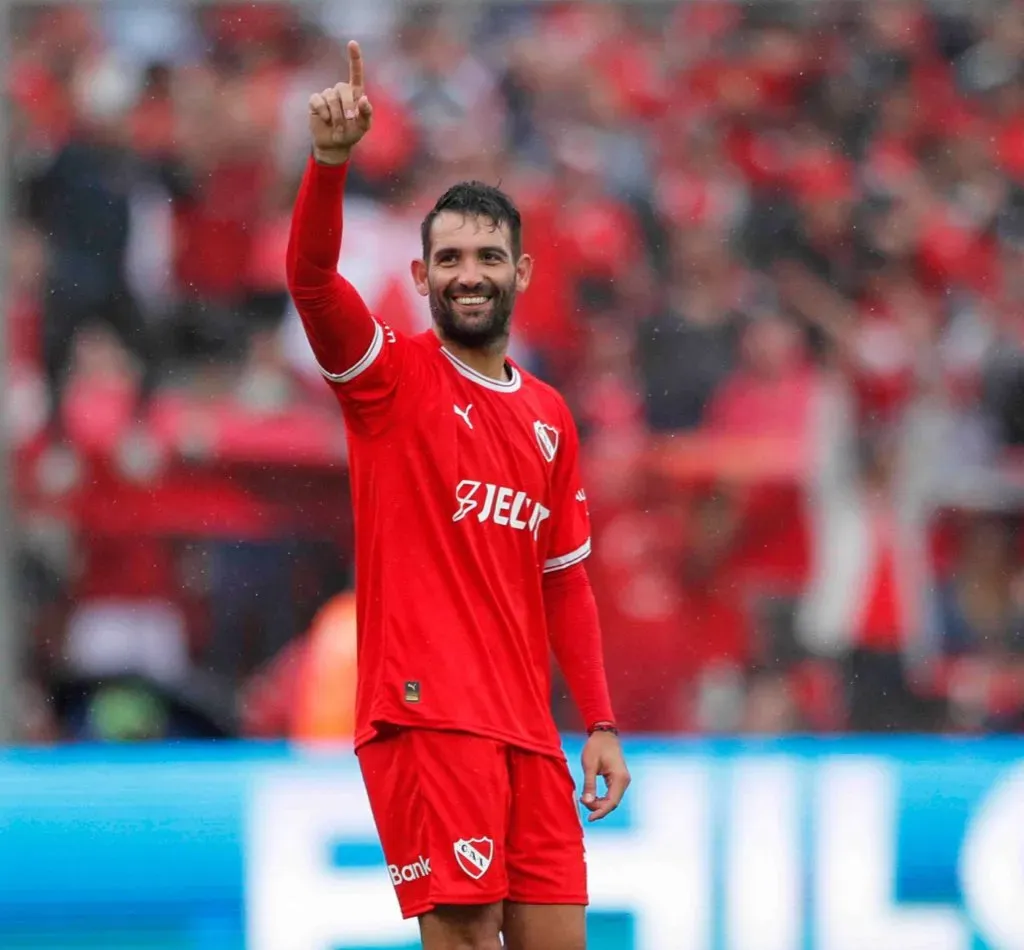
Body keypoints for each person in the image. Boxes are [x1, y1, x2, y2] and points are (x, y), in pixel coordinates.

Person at [286, 41, 630, 950]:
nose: (467, 272)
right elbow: (313, 282)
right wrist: (330, 164)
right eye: (447, 258)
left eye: (487, 255)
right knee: (468, 941)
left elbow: (566, 580)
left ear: (521, 274)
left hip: (527, 732)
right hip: (428, 713)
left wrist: (596, 719)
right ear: (419, 277)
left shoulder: (551, 415)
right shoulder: (387, 382)